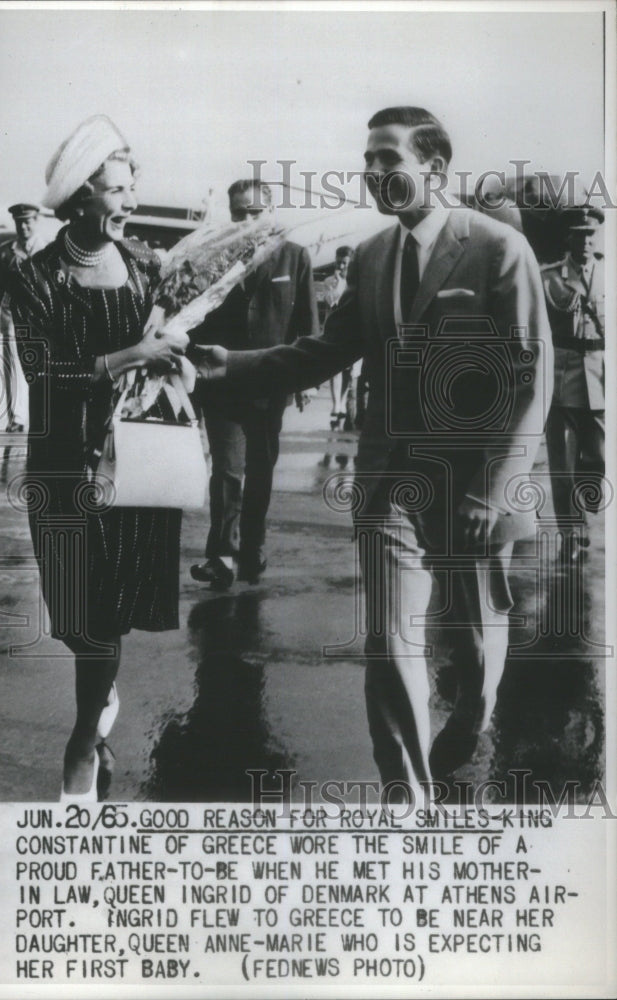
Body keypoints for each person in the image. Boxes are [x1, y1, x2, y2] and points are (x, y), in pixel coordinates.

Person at [194, 106, 552, 794]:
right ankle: (405, 806)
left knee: (474, 646)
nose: (373, 172)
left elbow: (527, 378)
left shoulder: (497, 248)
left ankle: (474, 714)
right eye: (368, 160)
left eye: (389, 158)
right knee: (389, 646)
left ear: (434, 167)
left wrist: (493, 487)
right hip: (391, 482)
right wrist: (229, 364)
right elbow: (325, 349)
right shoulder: (373, 256)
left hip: (474, 482)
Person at [8, 115, 187, 801]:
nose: (131, 201)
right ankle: (97, 695)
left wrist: (175, 363)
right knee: (82, 613)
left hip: (134, 458)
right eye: (117, 190)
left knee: (109, 611)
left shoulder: (146, 265)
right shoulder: (36, 276)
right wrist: (130, 355)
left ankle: (83, 734)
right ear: (81, 198)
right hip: (63, 463)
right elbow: (44, 371)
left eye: (131, 187)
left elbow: (166, 354)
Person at [188, 178, 319, 590]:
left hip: (270, 382)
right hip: (220, 382)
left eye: (256, 212)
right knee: (227, 469)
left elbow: (307, 325)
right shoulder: (211, 259)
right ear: (230, 214)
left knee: (261, 469)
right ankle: (222, 553)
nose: (247, 220)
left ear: (271, 212)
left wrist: (305, 380)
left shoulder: (295, 257)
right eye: (239, 212)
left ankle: (253, 545)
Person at [542, 206, 605, 563]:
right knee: (563, 463)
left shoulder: (609, 275)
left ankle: (585, 507)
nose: (586, 241)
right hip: (561, 380)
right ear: (568, 237)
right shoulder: (549, 278)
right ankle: (570, 529)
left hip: (600, 377)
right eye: (579, 234)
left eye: (591, 234)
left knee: (598, 458)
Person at [0, 203, 47, 431]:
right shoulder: (6, 250)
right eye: (19, 223)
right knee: (12, 365)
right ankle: (17, 418)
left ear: (36, 221)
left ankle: (40, 416)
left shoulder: (48, 249)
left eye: (28, 221)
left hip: (39, 318)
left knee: (39, 367)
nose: (23, 227)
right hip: (11, 316)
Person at [320, 246, 360, 430]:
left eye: (345, 263)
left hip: (352, 329)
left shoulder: (357, 280)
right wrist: (337, 282)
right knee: (334, 368)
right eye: (338, 263)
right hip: (334, 329)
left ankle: (343, 401)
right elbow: (332, 301)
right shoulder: (329, 281)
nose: (341, 266)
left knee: (349, 371)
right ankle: (336, 404)